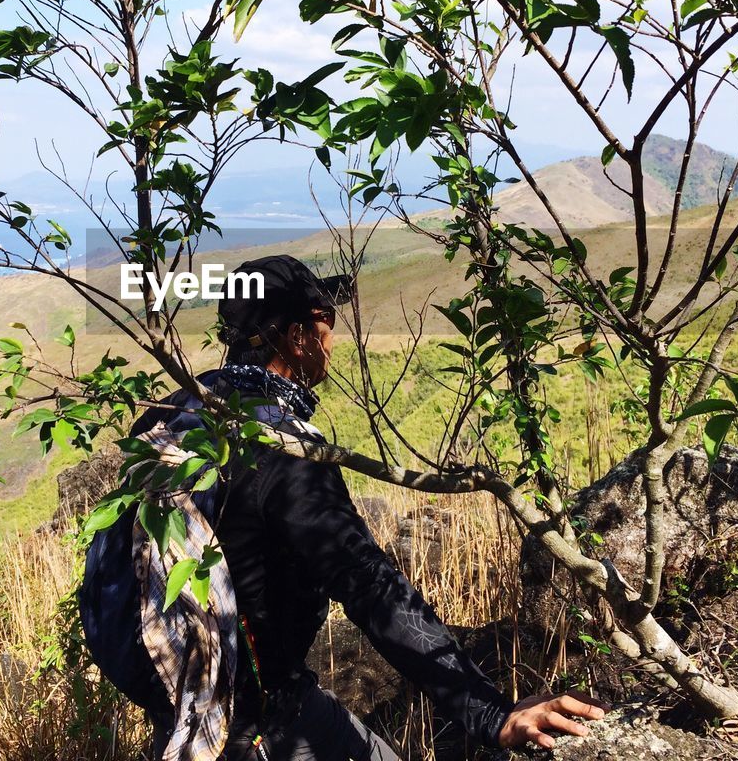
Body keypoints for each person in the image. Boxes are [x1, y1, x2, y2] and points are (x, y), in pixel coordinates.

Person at [95, 254, 605, 760]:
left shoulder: (175, 412)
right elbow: (367, 585)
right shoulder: (282, 449)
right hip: (258, 725)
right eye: (327, 321)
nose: (333, 338)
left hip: (184, 709)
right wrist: (490, 713)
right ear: (298, 337)